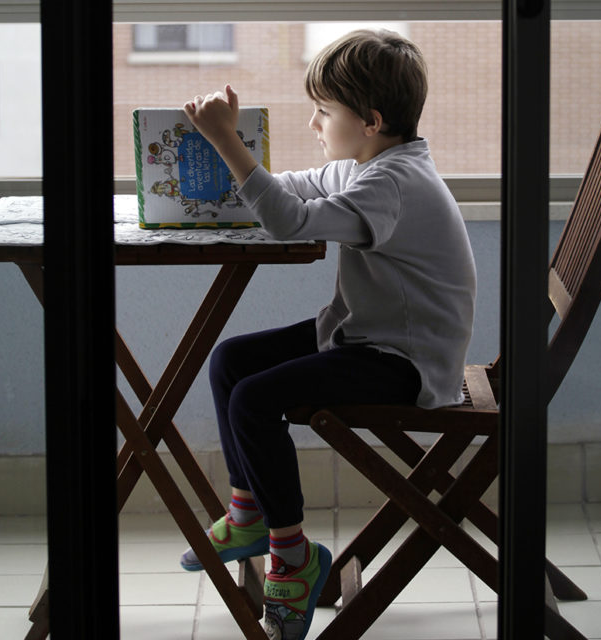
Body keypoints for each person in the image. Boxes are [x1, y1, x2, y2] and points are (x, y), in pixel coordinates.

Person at [178, 29, 477, 640]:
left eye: (323, 111)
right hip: (368, 337)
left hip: (407, 363)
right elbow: (290, 191)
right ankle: (250, 515)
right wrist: (237, 167)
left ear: (369, 120)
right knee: (231, 360)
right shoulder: (371, 165)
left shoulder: (390, 185)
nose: (314, 123)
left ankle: (292, 556)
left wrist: (226, 141)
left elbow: (288, 222)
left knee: (253, 401)